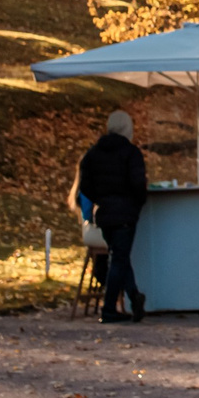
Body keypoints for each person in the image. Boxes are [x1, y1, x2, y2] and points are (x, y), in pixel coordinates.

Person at [74, 110, 146, 322]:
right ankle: (109, 309)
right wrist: (136, 203)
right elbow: (138, 184)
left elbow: (84, 185)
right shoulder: (131, 153)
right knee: (119, 259)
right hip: (125, 213)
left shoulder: (93, 153)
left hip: (105, 213)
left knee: (119, 257)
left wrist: (100, 198)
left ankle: (134, 296)